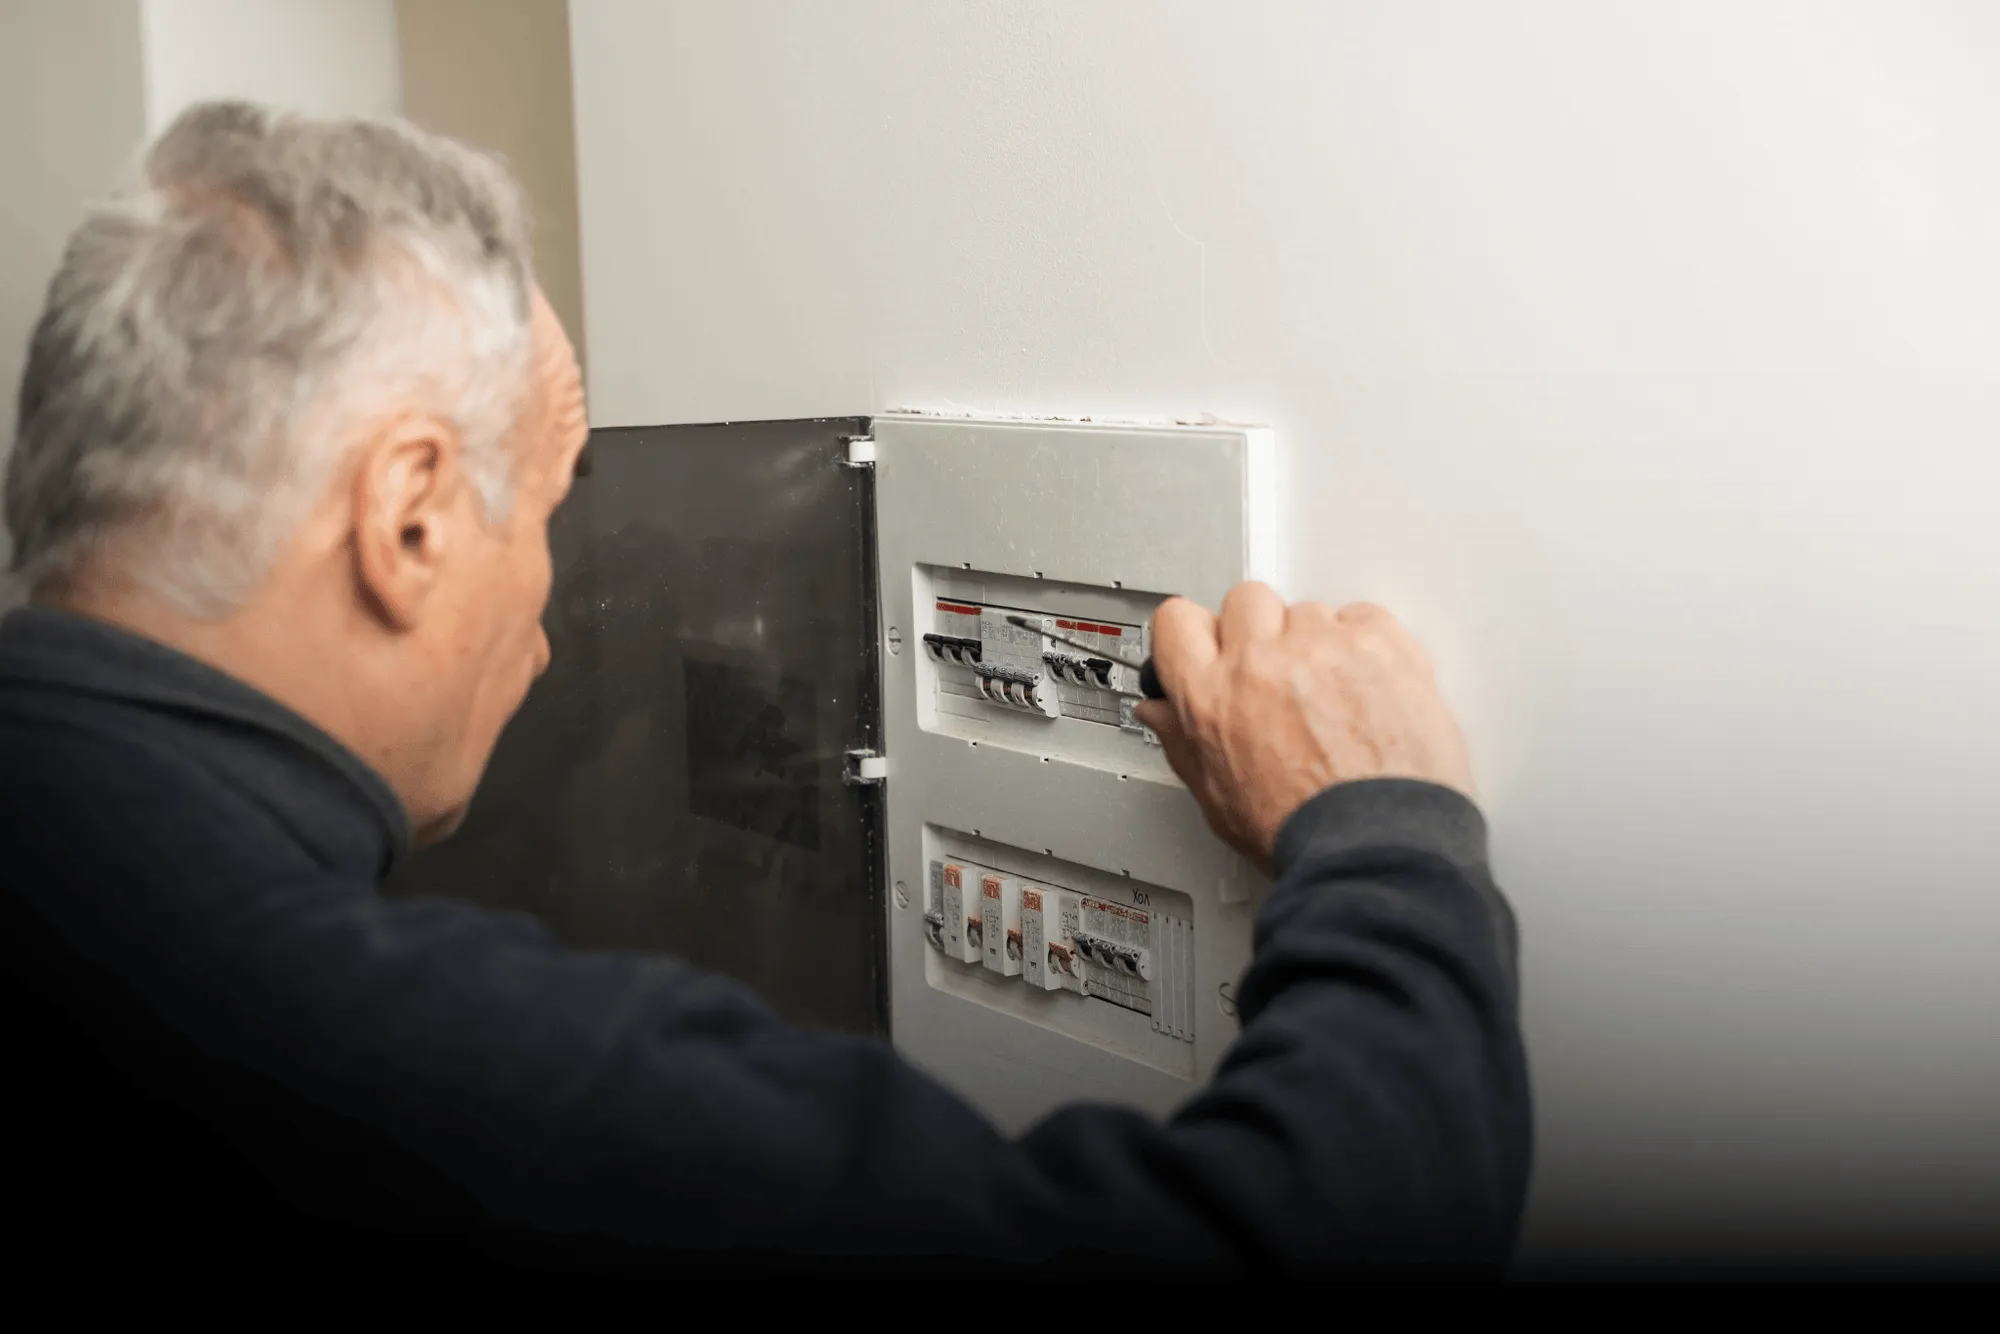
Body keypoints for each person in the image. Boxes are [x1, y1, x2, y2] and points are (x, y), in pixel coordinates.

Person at [0, 102, 1530, 1277]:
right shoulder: (393, 1066)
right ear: (407, 518)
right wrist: (1385, 831)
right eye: (541, 515)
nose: (546, 624)